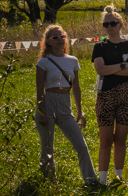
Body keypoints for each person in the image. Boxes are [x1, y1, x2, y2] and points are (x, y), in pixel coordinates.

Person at [35, 25, 98, 185]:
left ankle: (91, 180)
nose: (58, 40)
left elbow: (76, 88)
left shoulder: (73, 60)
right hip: (48, 104)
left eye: (61, 36)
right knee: (47, 149)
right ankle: (49, 183)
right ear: (47, 41)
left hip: (65, 105)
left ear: (65, 39)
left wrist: (80, 111)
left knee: (82, 146)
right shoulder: (43, 62)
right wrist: (42, 112)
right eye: (54, 37)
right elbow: (39, 90)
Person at [92, 5, 128, 184]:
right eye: (106, 24)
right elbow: (100, 69)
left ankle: (118, 178)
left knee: (121, 139)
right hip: (104, 95)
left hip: (127, 95)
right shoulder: (99, 46)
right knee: (105, 140)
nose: (109, 27)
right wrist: (121, 66)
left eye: (113, 23)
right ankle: (102, 180)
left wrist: (110, 70)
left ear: (121, 24)